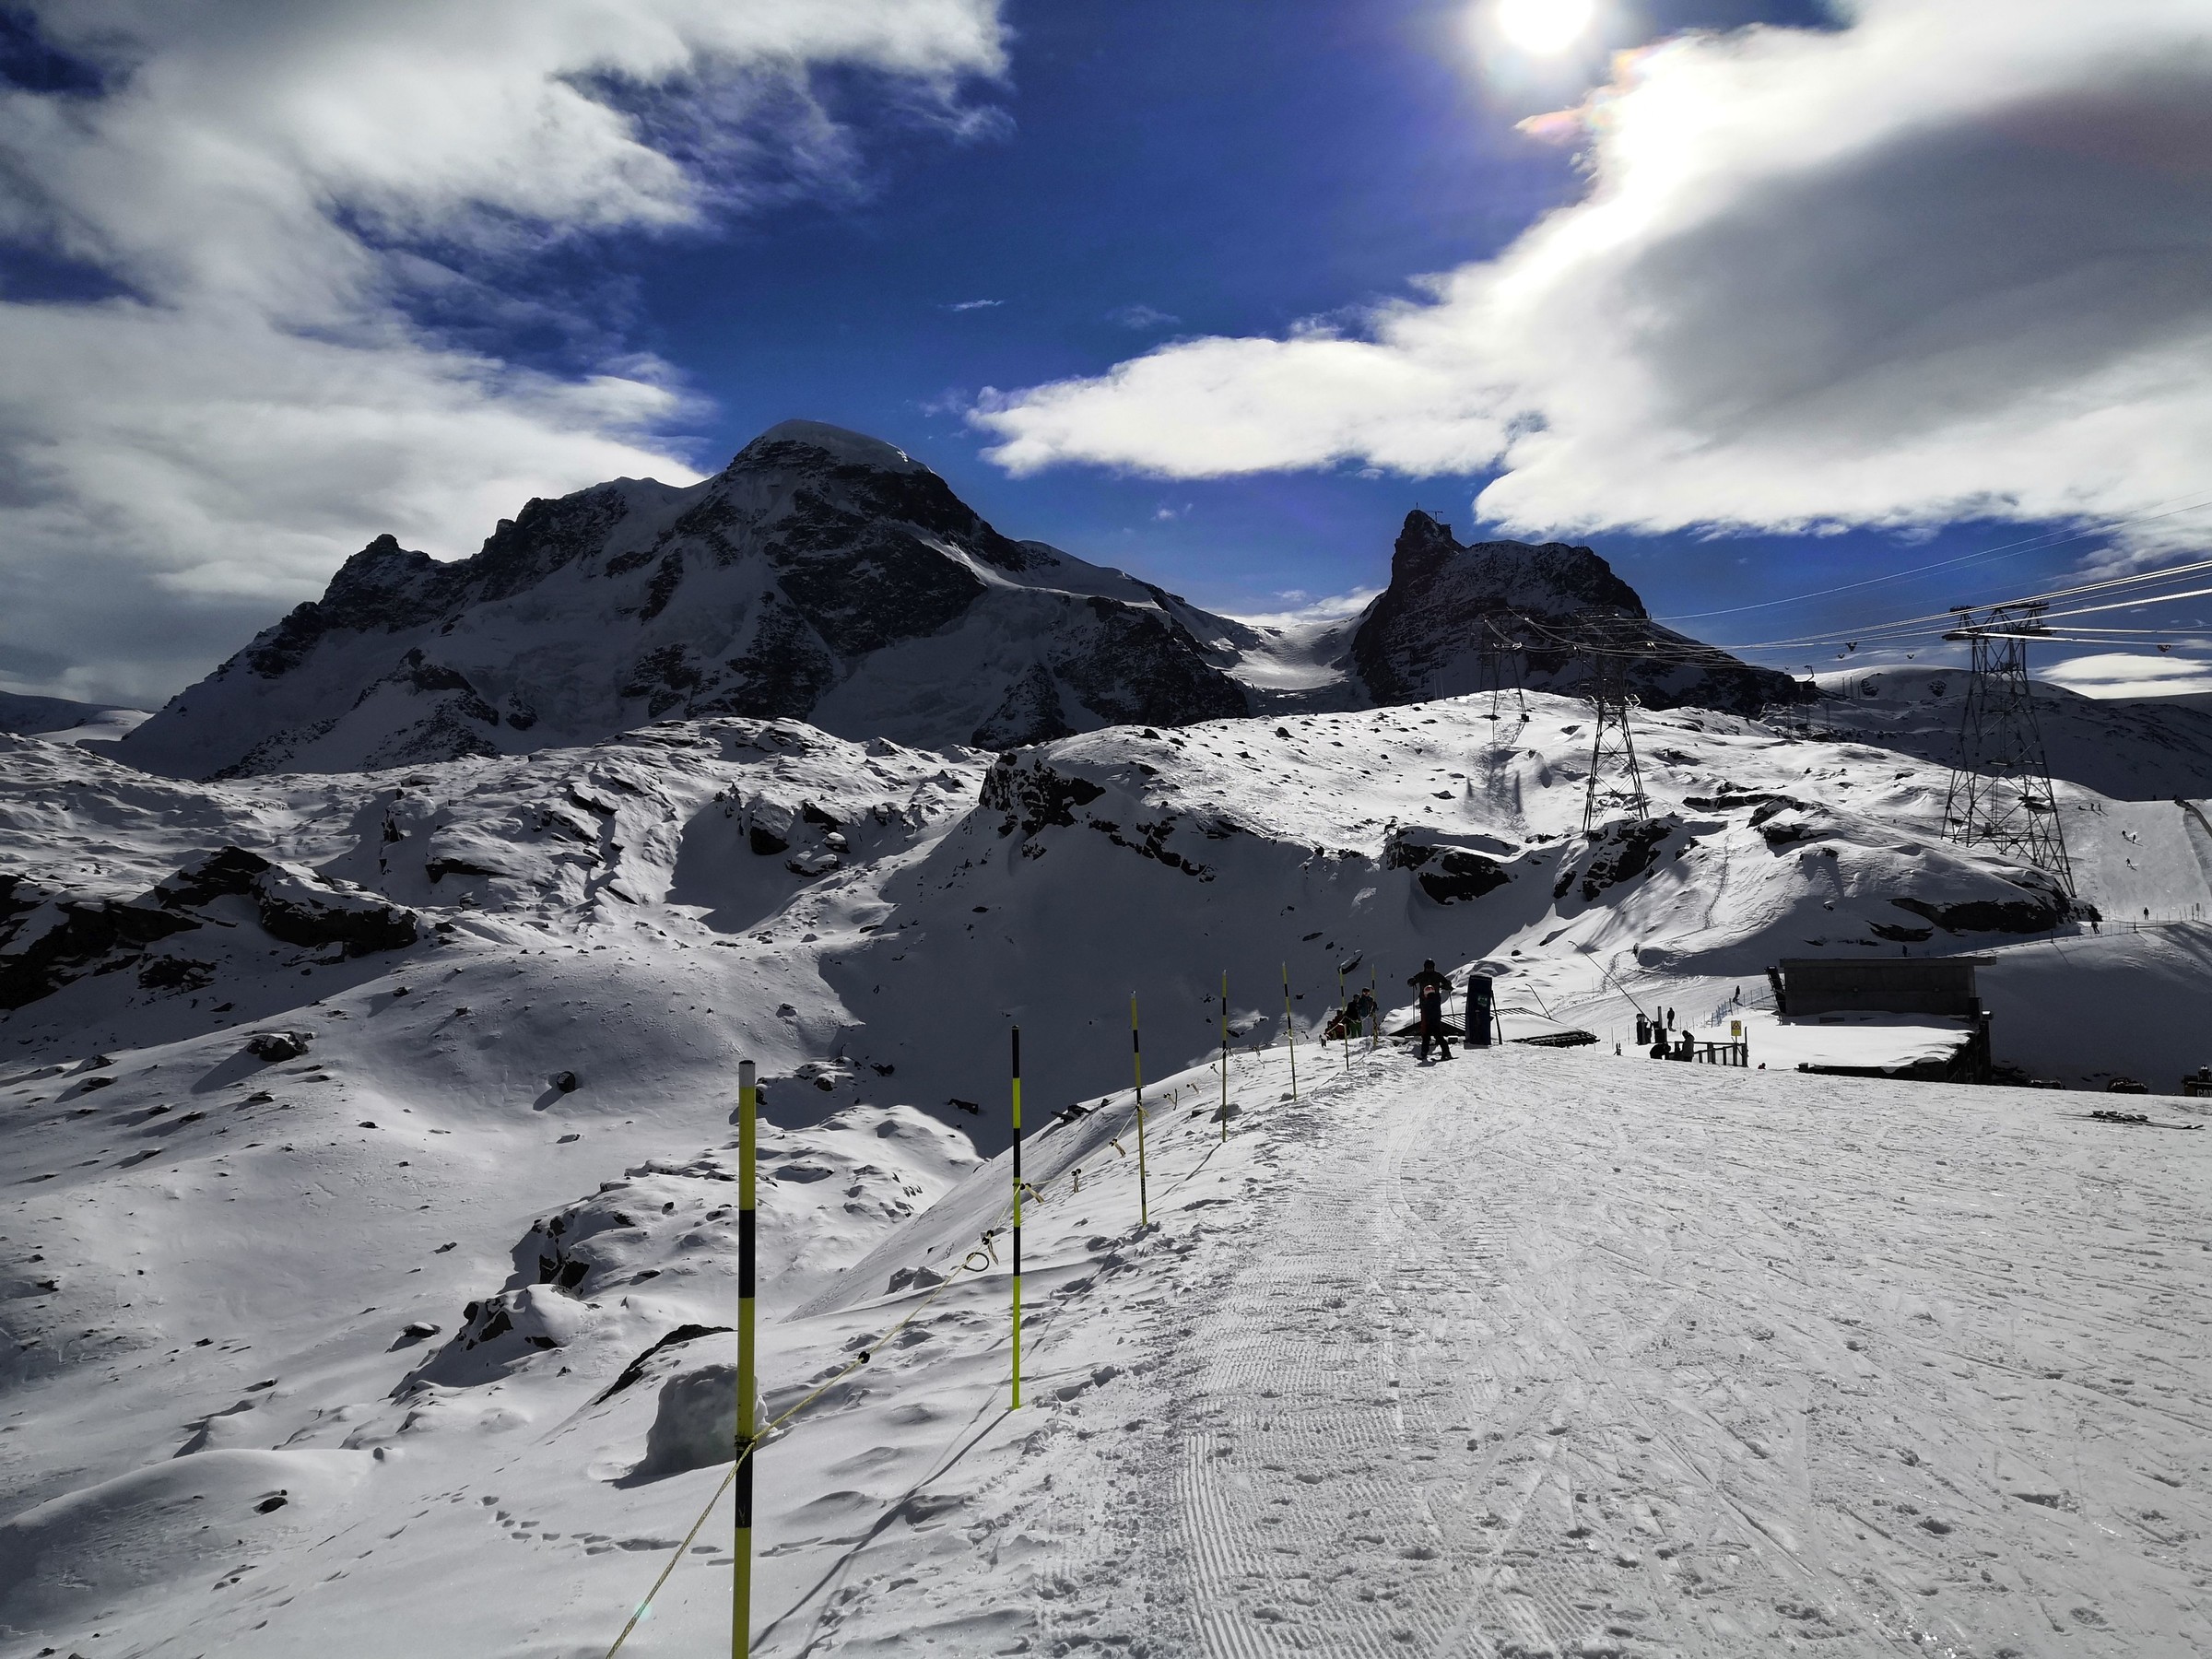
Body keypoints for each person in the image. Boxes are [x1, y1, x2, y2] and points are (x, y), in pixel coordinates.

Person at [1407, 959, 1453, 1062]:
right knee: (1433, 1031)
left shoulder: (1425, 976)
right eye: (1428, 967)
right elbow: (1446, 983)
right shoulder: (1434, 976)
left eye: (1430, 967)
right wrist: (1447, 985)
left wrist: (1412, 981)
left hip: (1427, 1004)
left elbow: (1412, 981)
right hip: (1431, 1004)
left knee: (1428, 1031)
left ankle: (1425, 1053)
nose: (1429, 969)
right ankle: (1443, 1052)